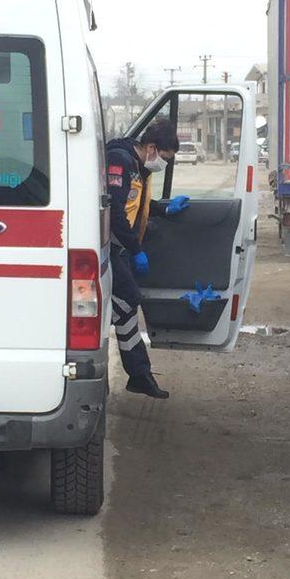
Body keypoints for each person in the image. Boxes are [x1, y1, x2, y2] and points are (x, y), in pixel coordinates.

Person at [107, 119, 190, 399]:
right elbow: (115, 212)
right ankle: (138, 372)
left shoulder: (138, 166)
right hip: (112, 246)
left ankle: (139, 374)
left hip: (121, 246)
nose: (164, 164)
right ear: (151, 147)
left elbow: (136, 203)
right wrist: (135, 249)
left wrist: (163, 210)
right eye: (165, 158)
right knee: (127, 301)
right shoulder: (120, 162)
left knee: (127, 304)